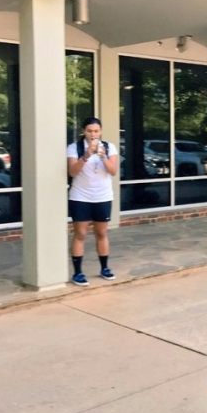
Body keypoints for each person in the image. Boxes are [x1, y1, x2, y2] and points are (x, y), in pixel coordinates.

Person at [66, 117, 119, 287]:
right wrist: (86, 156)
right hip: (80, 197)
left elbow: (113, 171)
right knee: (80, 233)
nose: (93, 134)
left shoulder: (109, 147)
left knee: (101, 233)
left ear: (100, 131)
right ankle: (78, 272)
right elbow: (72, 172)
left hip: (102, 197)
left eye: (96, 131)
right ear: (83, 131)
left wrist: (103, 157)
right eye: (89, 131)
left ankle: (105, 268)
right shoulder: (74, 148)